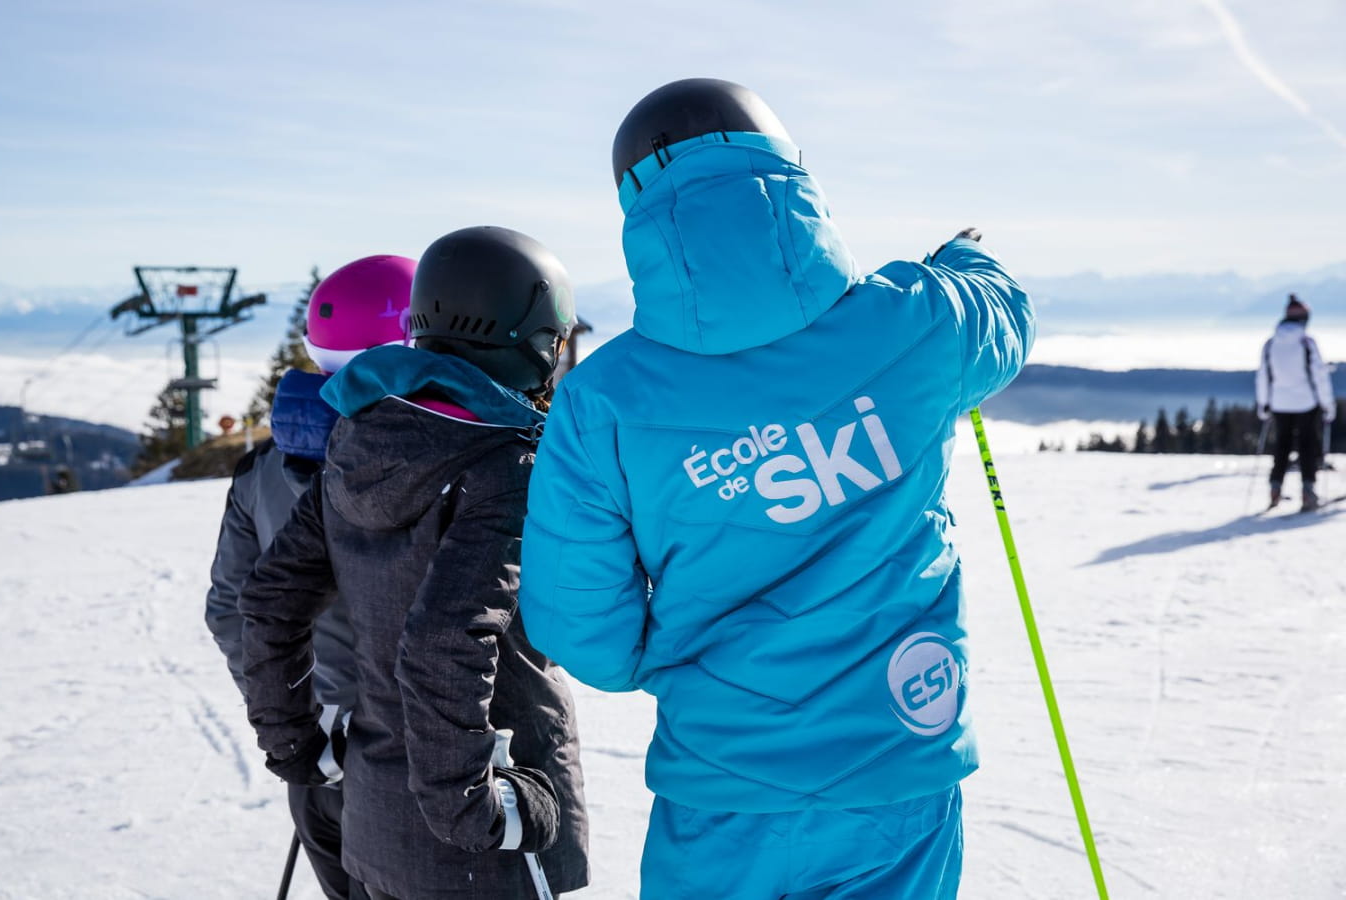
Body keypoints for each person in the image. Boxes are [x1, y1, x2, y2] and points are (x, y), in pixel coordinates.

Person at [519, 78, 1034, 899]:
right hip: (896, 763)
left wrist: (696, 664)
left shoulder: (604, 400)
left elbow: (582, 629)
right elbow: (1003, 318)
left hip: (721, 785)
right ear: (791, 177)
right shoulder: (914, 318)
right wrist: (965, 257)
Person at [237, 226, 590, 900]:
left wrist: (297, 744)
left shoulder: (360, 437)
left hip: (376, 822)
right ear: (530, 336)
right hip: (483, 850)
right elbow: (439, 642)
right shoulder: (507, 466)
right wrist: (475, 808)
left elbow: (271, 599)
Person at [205, 254, 416, 900]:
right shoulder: (413, 465)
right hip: (416, 766)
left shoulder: (261, 470)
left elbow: (231, 611)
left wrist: (299, 720)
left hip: (318, 762)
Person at [1256, 293, 1335, 511]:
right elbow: (1319, 376)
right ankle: (1308, 490)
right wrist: (1327, 404)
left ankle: (1275, 486)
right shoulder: (1306, 343)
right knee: (1307, 446)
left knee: (1281, 446)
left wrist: (1263, 403)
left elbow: (1264, 376)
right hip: (1306, 402)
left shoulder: (1271, 344)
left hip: (1279, 403)